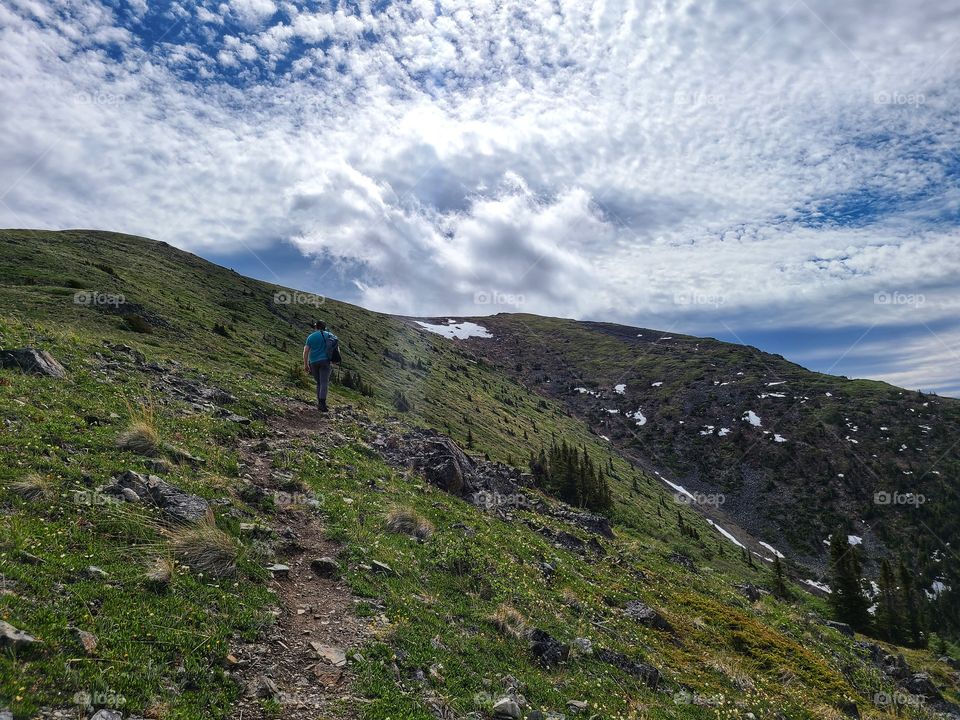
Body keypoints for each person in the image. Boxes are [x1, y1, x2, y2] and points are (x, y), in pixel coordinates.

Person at [303, 320, 338, 412]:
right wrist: (334, 359)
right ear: (324, 327)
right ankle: (322, 403)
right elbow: (336, 347)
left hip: (313, 362)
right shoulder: (330, 335)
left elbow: (306, 351)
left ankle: (320, 402)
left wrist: (306, 364)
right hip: (325, 361)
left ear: (316, 327)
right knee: (324, 382)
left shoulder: (311, 337)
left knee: (319, 382)